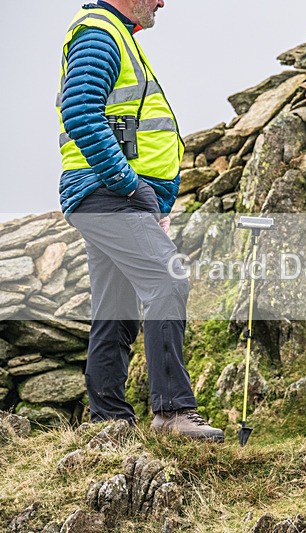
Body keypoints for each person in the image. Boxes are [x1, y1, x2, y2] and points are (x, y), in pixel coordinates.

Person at [56, 0, 223, 441]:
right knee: (168, 281)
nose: (162, 2)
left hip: (107, 194)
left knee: (116, 308)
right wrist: (129, 185)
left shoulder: (111, 32)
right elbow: (80, 112)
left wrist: (143, 194)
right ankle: (172, 412)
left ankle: (109, 422)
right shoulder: (99, 32)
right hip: (109, 193)